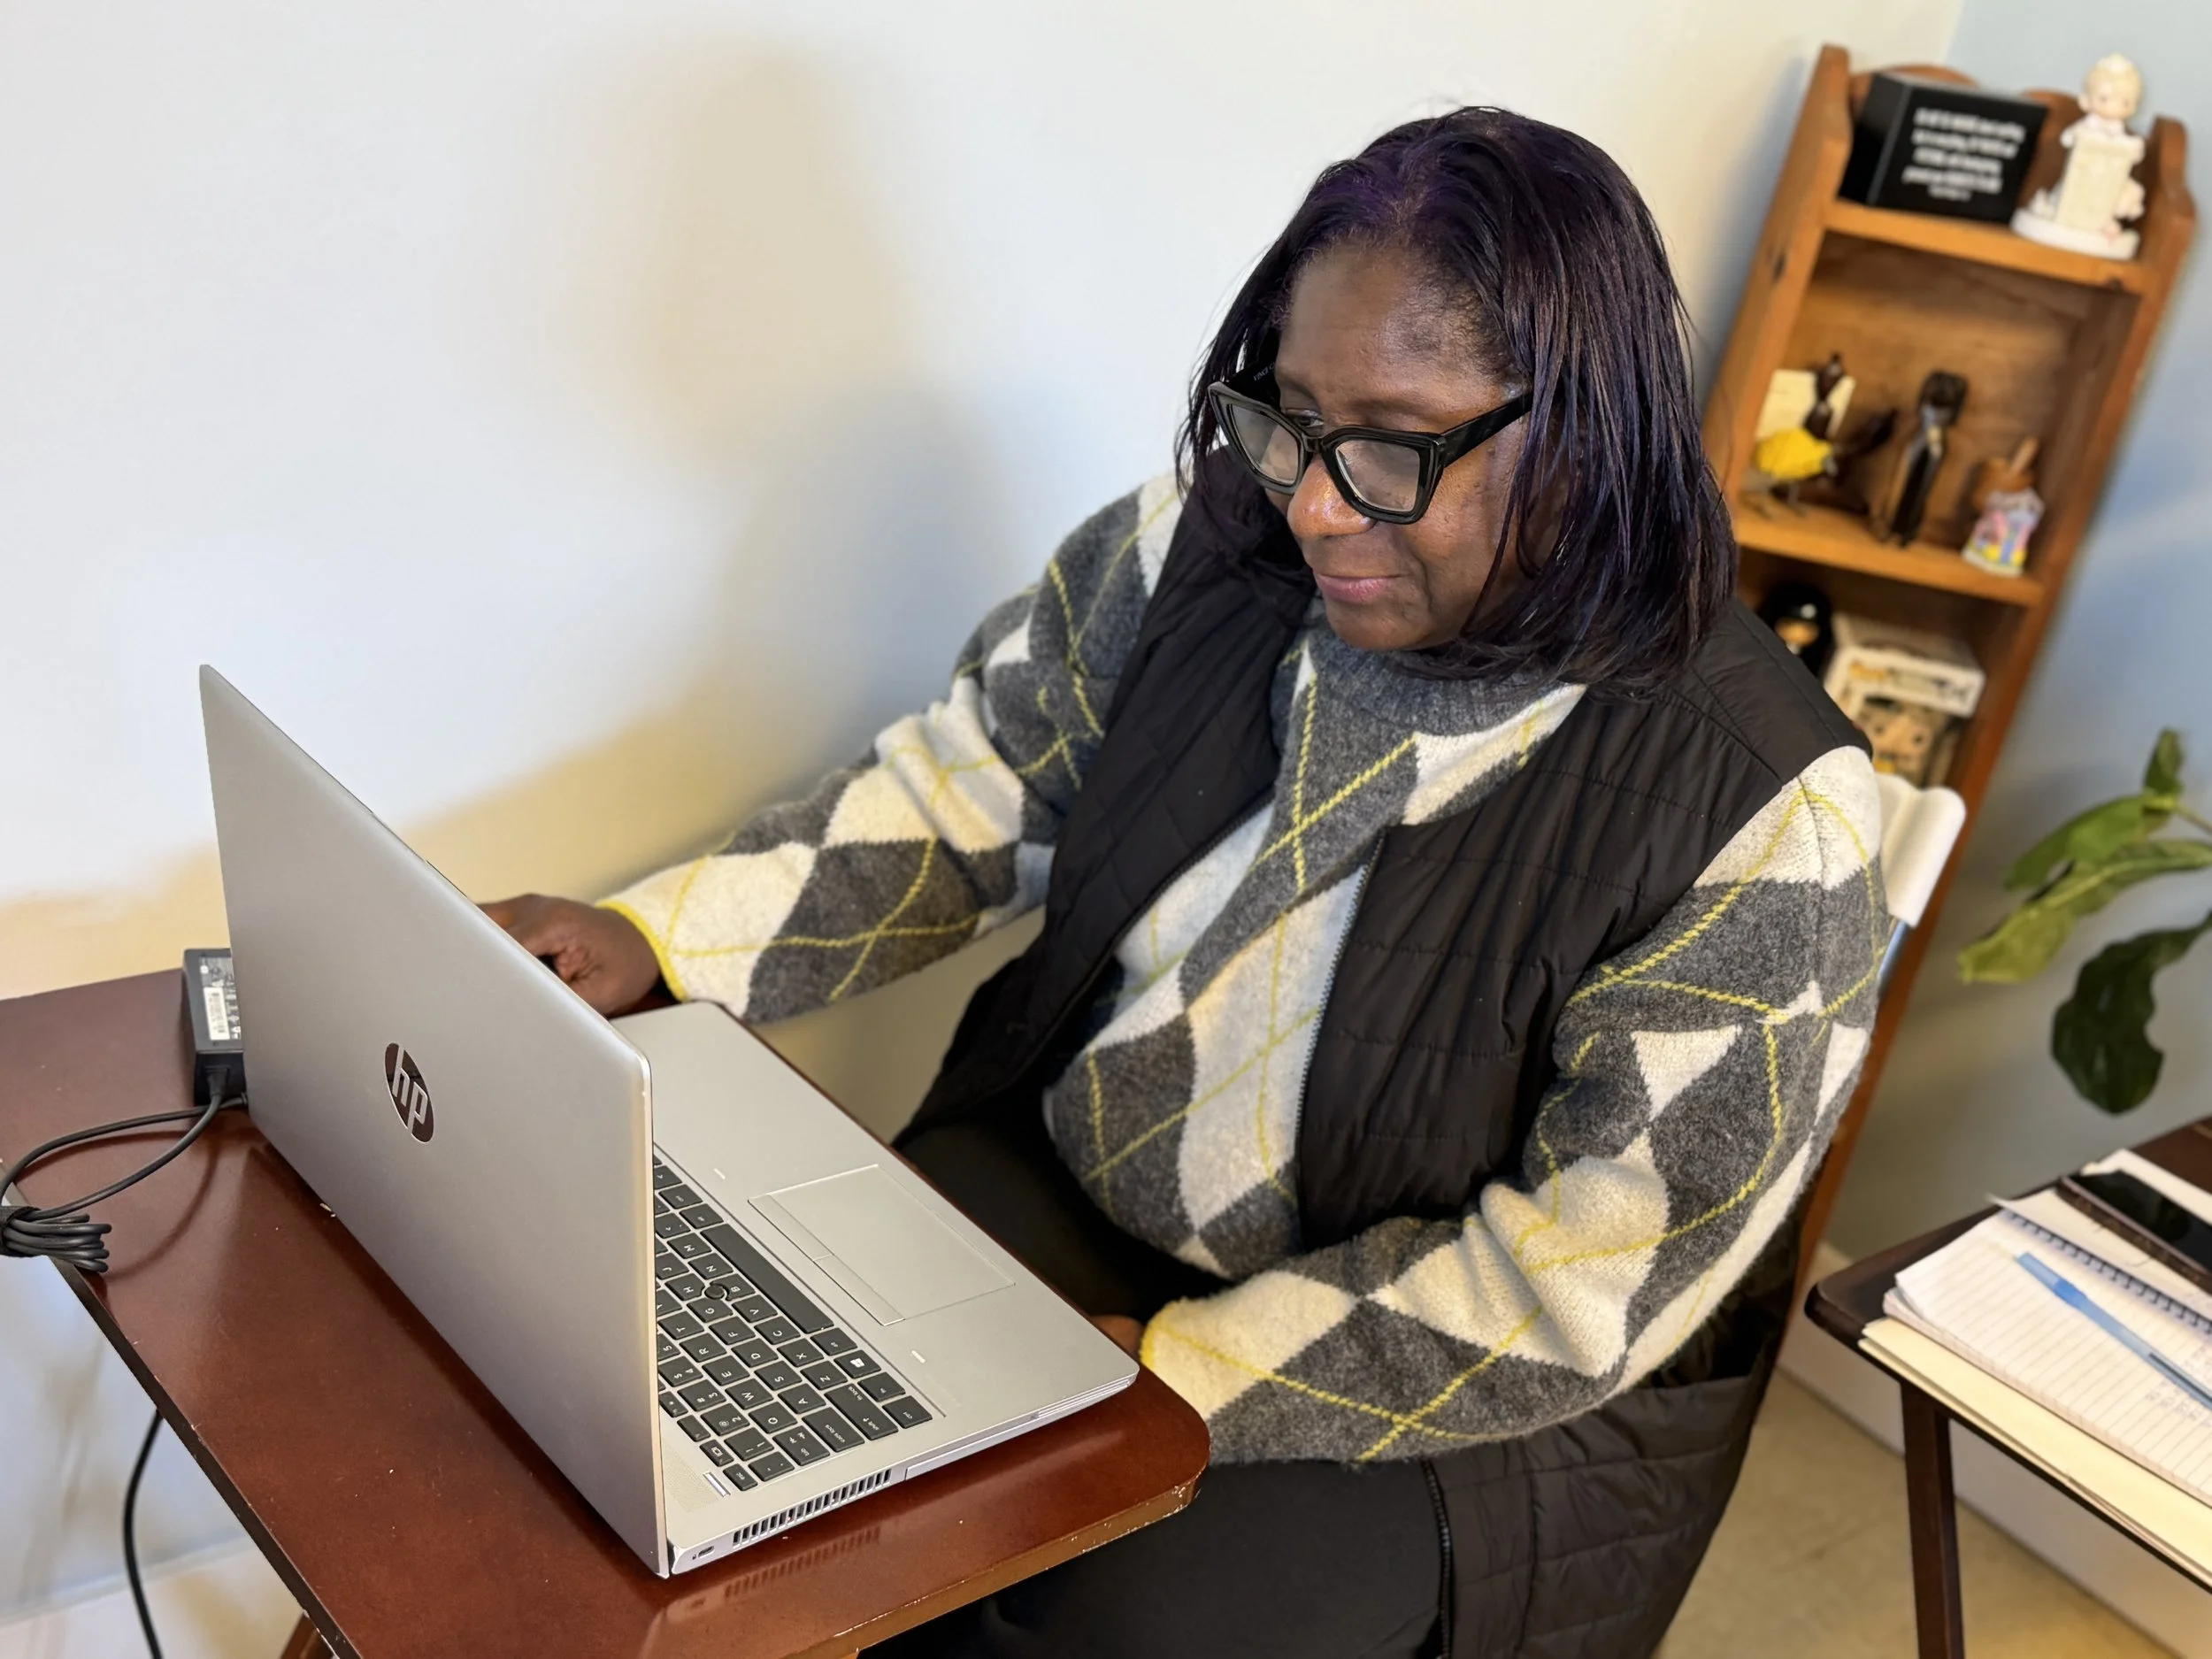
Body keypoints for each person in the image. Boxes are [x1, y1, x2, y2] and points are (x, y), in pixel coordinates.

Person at [488, 105, 1882, 1658]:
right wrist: (655, 934)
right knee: (737, 1418)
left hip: (1458, 1402)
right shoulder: (1200, 545)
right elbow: (972, 787)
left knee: (1067, 1612)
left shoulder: (1768, 814)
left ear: (1584, 431)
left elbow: (1570, 1288)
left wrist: (1171, 1368)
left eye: (1391, 447)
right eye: (1289, 418)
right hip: (1077, 1181)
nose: (1315, 505)